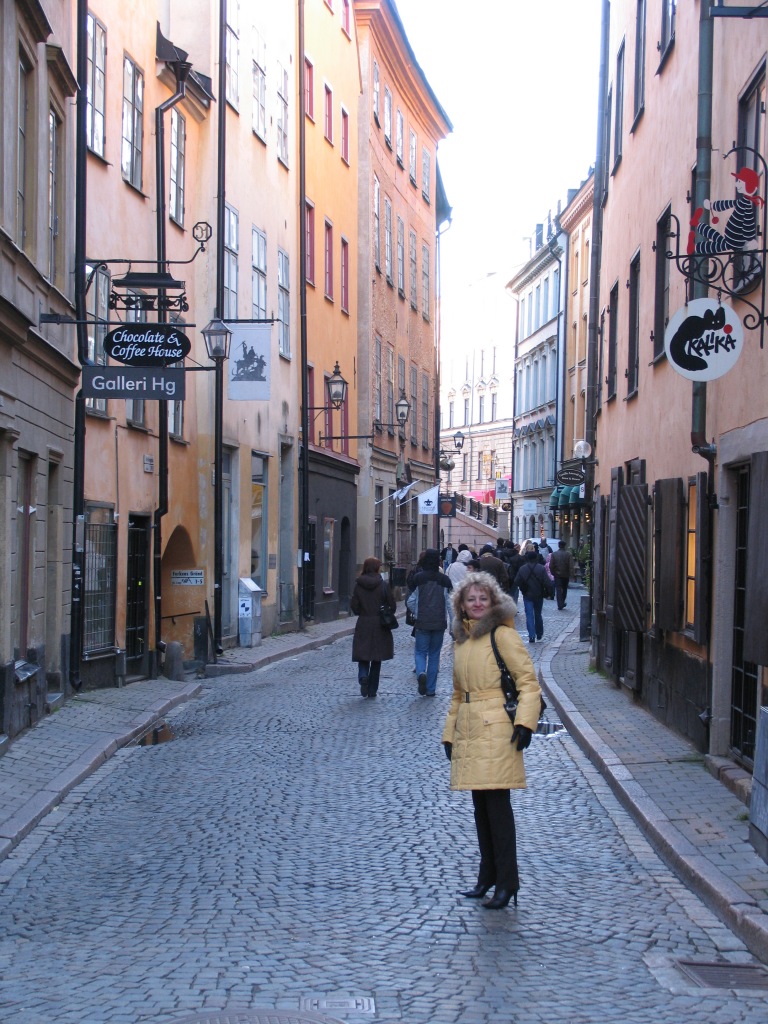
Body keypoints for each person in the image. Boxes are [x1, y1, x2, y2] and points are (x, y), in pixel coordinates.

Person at [442, 571, 542, 910]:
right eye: (471, 599)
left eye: (482, 598)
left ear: (493, 601)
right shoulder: (462, 641)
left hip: (498, 729)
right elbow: (458, 694)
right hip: (470, 730)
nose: (477, 604)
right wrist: (449, 735)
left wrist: (526, 723)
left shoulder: (503, 635)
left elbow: (528, 682)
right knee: (481, 810)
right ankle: (487, 876)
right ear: (461, 605)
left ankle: (507, 881)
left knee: (498, 810)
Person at [407, 548, 452, 696]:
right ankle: (431, 689)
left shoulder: (418, 578)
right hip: (439, 622)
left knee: (420, 652)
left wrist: (416, 612)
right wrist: (453, 623)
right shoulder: (444, 580)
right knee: (434, 654)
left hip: (422, 621)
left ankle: (421, 672)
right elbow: (450, 604)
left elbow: (411, 601)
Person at [350, 557, 397, 698]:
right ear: (377, 568)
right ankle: (372, 690)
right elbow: (392, 605)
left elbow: (354, 607)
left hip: (364, 622)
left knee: (363, 654)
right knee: (377, 657)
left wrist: (363, 611)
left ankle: (363, 676)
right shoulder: (383, 585)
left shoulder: (359, 585)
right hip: (379, 624)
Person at [514, 545, 554, 643]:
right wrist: (550, 593)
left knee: (529, 615)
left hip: (527, 594)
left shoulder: (522, 569)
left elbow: (516, 581)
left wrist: (523, 586)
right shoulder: (541, 568)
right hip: (538, 594)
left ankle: (531, 635)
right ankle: (539, 634)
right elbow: (547, 582)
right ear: (536, 558)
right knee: (538, 614)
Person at [549, 540, 573, 610]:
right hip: (566, 575)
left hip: (557, 575)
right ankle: (562, 602)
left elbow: (551, 565)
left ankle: (560, 603)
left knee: (558, 589)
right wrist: (571, 574)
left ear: (558, 546)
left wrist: (553, 573)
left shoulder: (554, 554)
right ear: (565, 546)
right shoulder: (568, 554)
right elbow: (571, 565)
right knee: (564, 589)